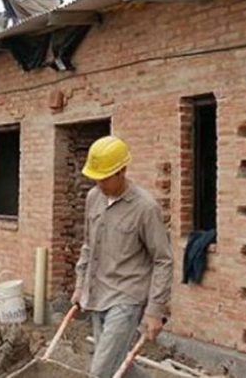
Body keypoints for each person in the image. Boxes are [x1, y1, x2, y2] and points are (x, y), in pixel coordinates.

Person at [73, 136, 173, 378]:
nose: (99, 183)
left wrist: (155, 310)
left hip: (126, 297)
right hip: (97, 294)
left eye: (105, 178)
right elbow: (88, 246)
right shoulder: (93, 198)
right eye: (96, 178)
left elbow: (163, 260)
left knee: (100, 371)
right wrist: (80, 285)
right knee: (118, 365)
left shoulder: (145, 208)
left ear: (122, 171)